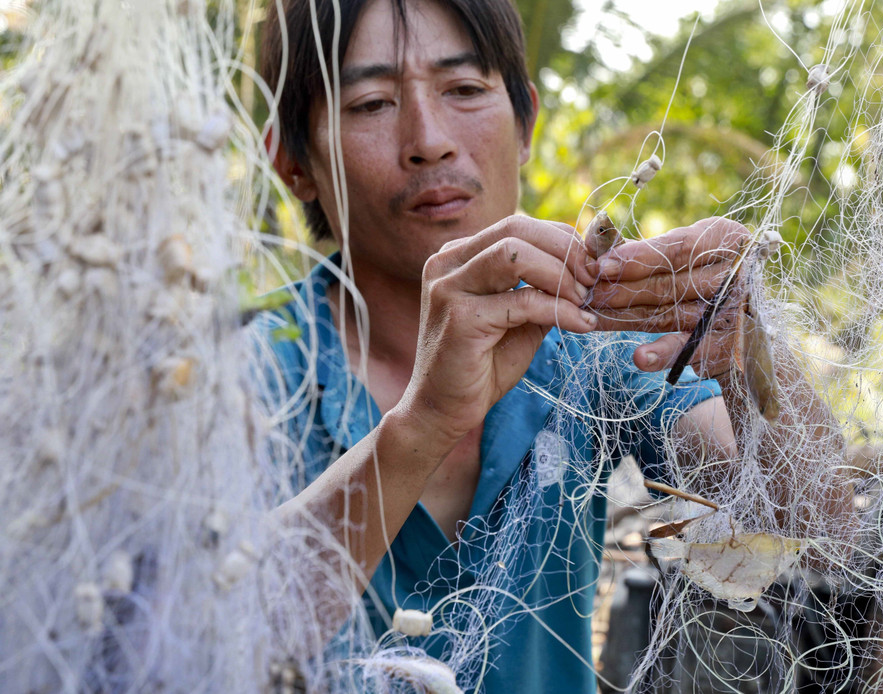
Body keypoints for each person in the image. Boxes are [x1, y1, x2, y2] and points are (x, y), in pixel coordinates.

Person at [257, 0, 844, 691]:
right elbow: (199, 633)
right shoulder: (250, 375)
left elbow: (818, 529)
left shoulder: (589, 343)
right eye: (372, 103)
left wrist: (752, 351)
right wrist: (425, 424)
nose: (430, 139)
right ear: (292, 161)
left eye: (466, 89)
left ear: (526, 121)